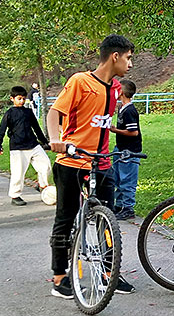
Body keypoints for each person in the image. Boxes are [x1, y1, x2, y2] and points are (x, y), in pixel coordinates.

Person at [47, 35, 135, 299]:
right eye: (129, 58)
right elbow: (54, 113)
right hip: (72, 160)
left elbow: (102, 123)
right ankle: (60, 277)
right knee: (65, 217)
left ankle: (109, 273)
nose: (131, 64)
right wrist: (55, 139)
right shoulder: (80, 81)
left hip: (101, 161)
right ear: (115, 56)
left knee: (106, 220)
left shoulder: (116, 88)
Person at [0, 86, 51, 206]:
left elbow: (36, 127)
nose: (21, 101)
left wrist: (45, 142)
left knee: (46, 165)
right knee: (18, 173)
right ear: (12, 99)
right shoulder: (9, 113)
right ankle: (15, 195)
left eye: (23, 99)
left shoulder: (28, 112)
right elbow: (1, 130)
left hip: (33, 144)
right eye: (19, 98)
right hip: (18, 147)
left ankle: (41, 185)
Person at [110, 79, 142, 221]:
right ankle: (119, 205)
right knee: (117, 178)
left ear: (121, 92)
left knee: (127, 180)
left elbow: (133, 132)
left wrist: (115, 130)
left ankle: (128, 208)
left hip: (129, 151)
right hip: (121, 149)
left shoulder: (130, 110)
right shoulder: (121, 108)